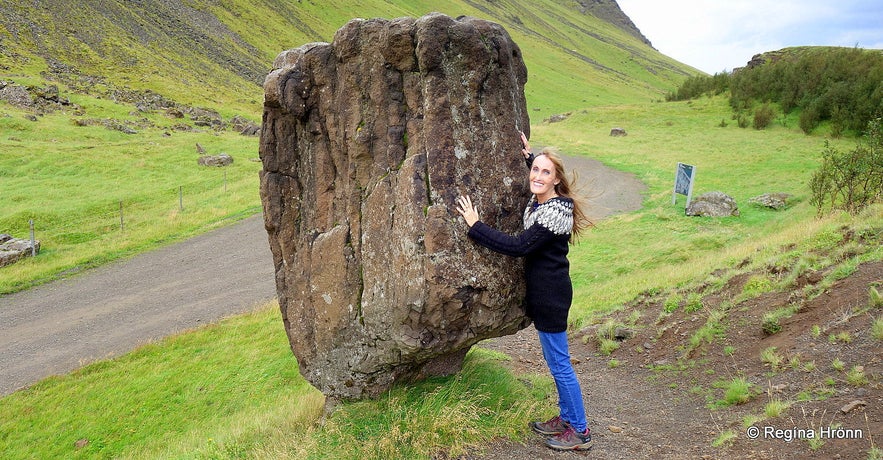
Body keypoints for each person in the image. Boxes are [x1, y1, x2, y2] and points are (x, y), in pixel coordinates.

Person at [455, 132, 593, 451]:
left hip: (552, 296)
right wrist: (531, 157)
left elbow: (519, 247)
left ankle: (581, 432)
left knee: (560, 364)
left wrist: (476, 225)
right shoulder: (544, 197)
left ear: (557, 180)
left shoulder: (556, 211)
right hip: (546, 293)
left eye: (546, 172)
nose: (537, 176)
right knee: (554, 360)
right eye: (536, 171)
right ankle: (567, 418)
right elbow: (539, 177)